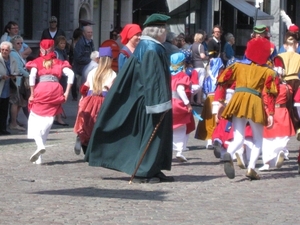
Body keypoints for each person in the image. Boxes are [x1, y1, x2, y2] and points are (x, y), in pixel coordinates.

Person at [84, 13, 174, 184]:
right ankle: (144, 171)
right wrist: (159, 102)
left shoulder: (148, 46)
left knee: (158, 135)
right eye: (165, 30)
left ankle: (154, 167)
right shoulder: (151, 48)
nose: (166, 33)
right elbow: (152, 77)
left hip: (148, 97)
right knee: (151, 134)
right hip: (149, 99)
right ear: (159, 31)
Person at [214, 37, 279, 180]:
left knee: (238, 137)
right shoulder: (268, 72)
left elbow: (222, 81)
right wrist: (271, 113)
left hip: (238, 100)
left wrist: (220, 101)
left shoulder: (237, 66)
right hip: (255, 101)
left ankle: (229, 154)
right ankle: (251, 168)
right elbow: (270, 94)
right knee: (257, 139)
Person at [26, 39, 74, 165]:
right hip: (56, 89)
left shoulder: (37, 62)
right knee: (48, 118)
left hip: (41, 89)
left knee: (34, 119)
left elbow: (31, 76)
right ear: (53, 48)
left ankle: (40, 144)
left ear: (41, 49)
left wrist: (31, 93)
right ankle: (40, 154)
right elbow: (71, 74)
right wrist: (67, 92)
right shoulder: (59, 62)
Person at [74, 47, 117, 155]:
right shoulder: (112, 74)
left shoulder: (92, 72)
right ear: (110, 59)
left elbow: (84, 88)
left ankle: (83, 143)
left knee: (87, 124)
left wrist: (83, 99)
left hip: (89, 100)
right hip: (103, 101)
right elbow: (112, 90)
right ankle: (97, 151)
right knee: (101, 125)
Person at [170, 52, 194, 162]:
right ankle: (179, 151)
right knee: (181, 127)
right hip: (178, 104)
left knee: (169, 128)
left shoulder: (168, 74)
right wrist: (188, 104)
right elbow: (180, 90)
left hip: (168, 103)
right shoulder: (182, 76)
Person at [9, 35, 29, 131]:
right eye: (18, 43)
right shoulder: (13, 54)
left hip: (20, 80)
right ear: (13, 44)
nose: (20, 45)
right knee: (16, 102)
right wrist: (28, 75)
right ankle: (13, 122)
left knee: (20, 102)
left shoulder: (17, 53)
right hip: (17, 80)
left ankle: (14, 121)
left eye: (21, 43)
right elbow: (19, 68)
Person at [0, 41, 19, 135]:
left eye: (6, 50)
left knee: (4, 110)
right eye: (2, 50)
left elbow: (17, 70)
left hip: (7, 88)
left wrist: (14, 75)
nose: (4, 51)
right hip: (0, 85)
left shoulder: (13, 59)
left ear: (10, 51)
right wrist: (1, 76)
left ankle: (3, 129)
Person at [72, 25, 94, 101]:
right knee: (81, 92)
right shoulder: (80, 43)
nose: (90, 34)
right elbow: (78, 58)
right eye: (88, 32)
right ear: (84, 33)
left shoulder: (91, 42)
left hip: (88, 70)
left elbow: (92, 53)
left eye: (91, 32)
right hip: (81, 72)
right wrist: (91, 60)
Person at [53, 35, 69, 126]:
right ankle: (58, 118)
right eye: (61, 43)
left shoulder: (63, 52)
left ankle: (57, 116)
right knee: (58, 97)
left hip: (63, 76)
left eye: (64, 43)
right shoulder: (56, 53)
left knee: (59, 97)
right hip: (59, 77)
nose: (63, 45)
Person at [191, 33, 209, 106]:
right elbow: (202, 56)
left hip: (193, 66)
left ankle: (191, 100)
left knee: (194, 84)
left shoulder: (192, 46)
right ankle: (199, 100)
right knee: (200, 84)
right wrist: (207, 57)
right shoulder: (200, 46)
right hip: (201, 66)